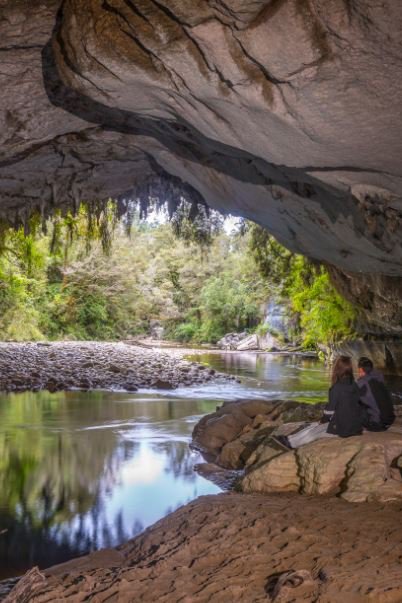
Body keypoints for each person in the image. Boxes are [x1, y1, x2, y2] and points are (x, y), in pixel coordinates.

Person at [275, 356, 363, 449]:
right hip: (355, 426)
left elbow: (329, 410)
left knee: (313, 432)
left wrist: (323, 420)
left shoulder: (336, 388)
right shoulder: (354, 385)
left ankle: (291, 444)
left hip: (343, 429)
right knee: (313, 425)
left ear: (337, 369)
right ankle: (289, 439)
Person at [357, 356, 395, 430]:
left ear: (361, 369)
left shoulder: (362, 383)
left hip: (376, 424)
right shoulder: (379, 378)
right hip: (389, 421)